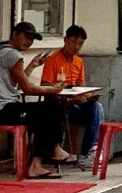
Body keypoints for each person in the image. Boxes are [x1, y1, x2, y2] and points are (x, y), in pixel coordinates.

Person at [0, 21, 72, 179]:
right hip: (2, 110)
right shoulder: (12, 54)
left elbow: (16, 84)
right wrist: (54, 89)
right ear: (15, 34)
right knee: (50, 108)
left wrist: (32, 66)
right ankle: (46, 156)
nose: (29, 42)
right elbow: (27, 88)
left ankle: (47, 154)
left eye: (32, 39)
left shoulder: (1, 51)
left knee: (47, 111)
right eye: (26, 37)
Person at [41, 24, 102, 170]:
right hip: (59, 105)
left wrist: (89, 96)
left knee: (96, 107)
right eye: (73, 42)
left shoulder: (79, 62)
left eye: (80, 43)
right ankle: (88, 151)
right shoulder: (53, 60)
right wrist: (71, 100)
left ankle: (88, 152)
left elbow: (81, 87)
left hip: (75, 104)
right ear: (65, 40)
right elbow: (45, 88)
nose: (76, 47)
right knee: (86, 110)